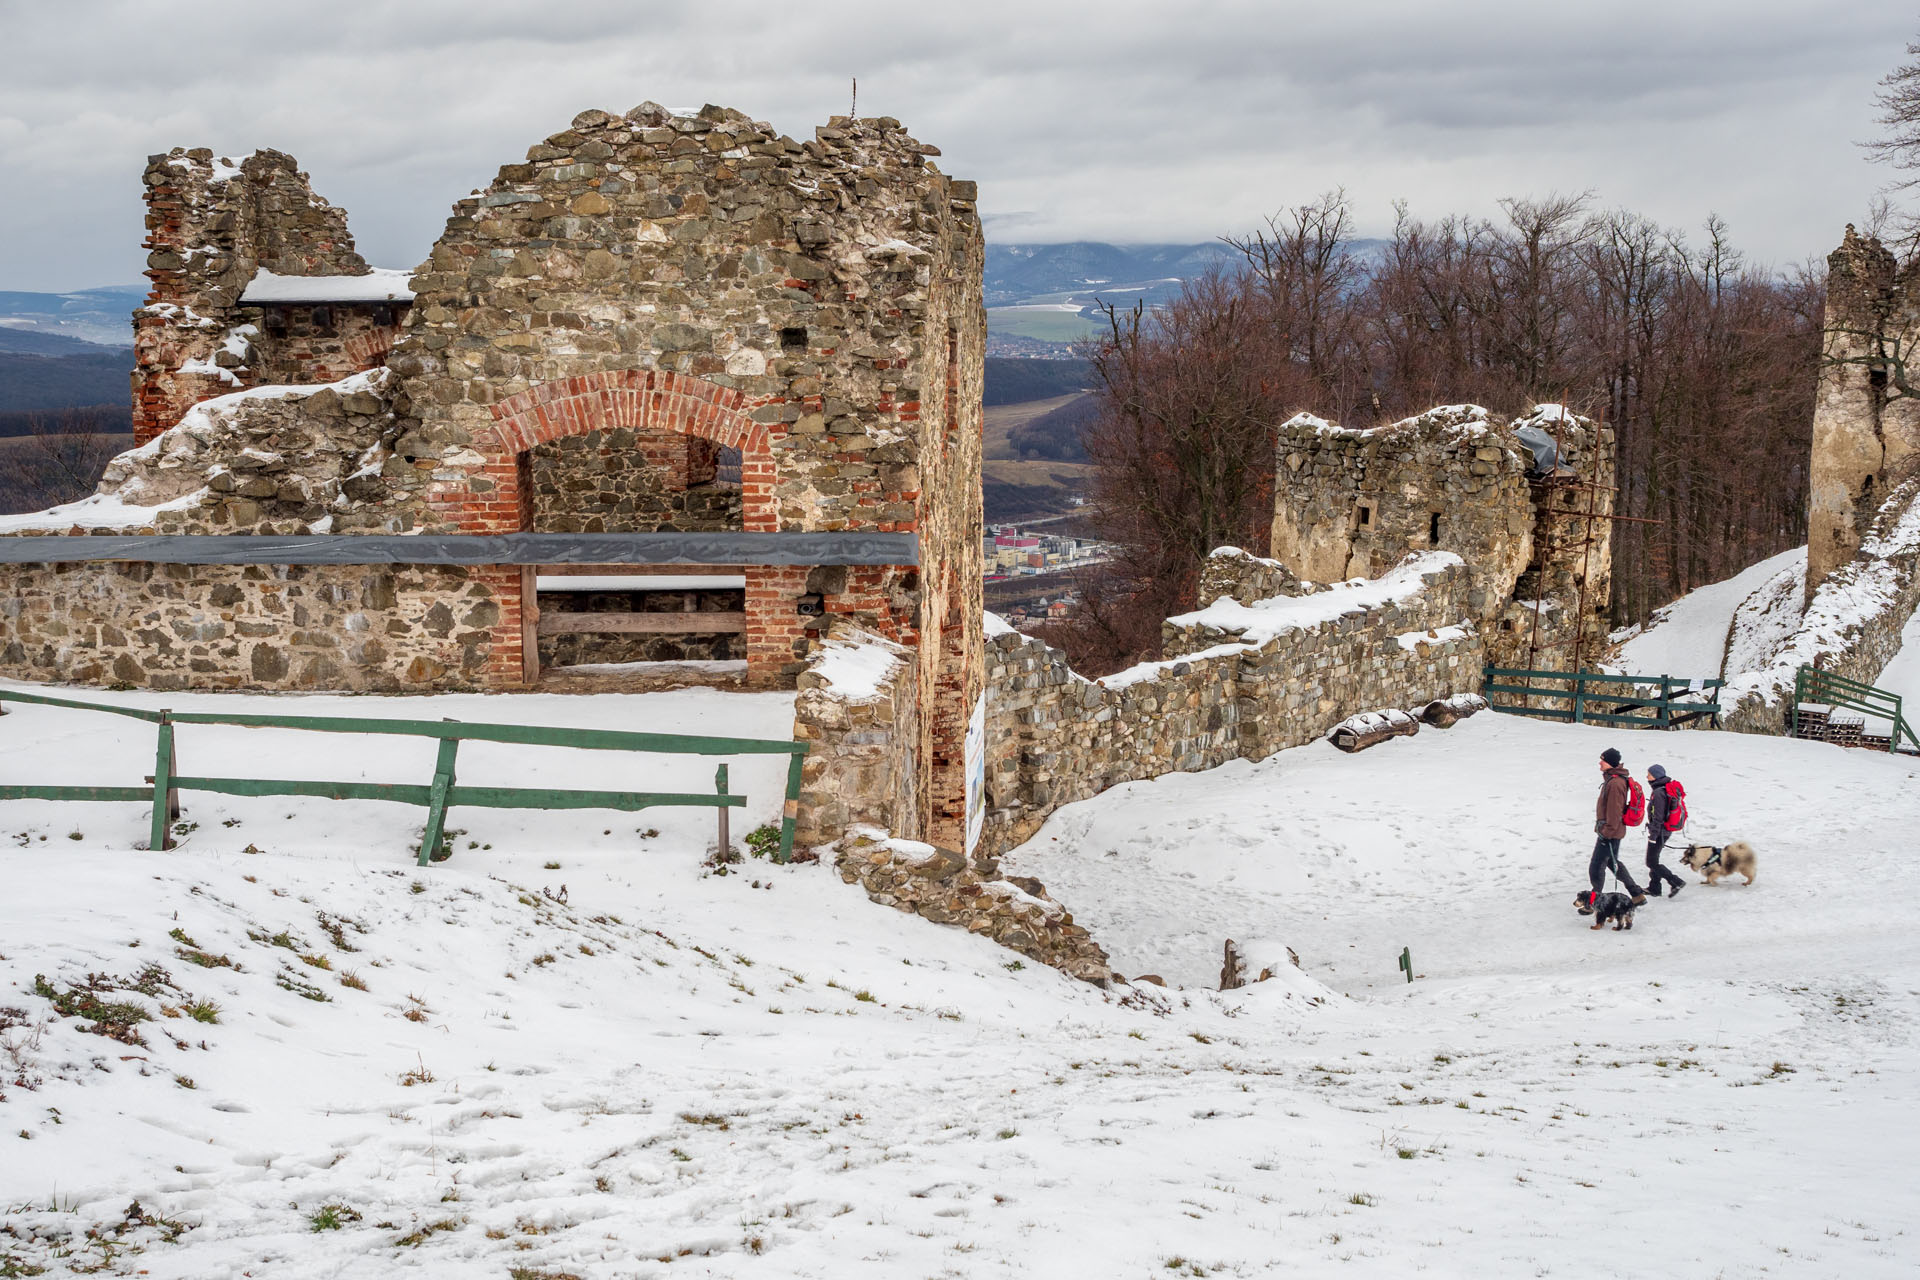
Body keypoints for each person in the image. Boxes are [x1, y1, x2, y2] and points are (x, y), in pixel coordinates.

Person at [1590, 747, 1647, 906]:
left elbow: (1614, 811)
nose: (1600, 763)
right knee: (1612, 863)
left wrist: (1606, 831)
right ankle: (1636, 894)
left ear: (1611, 763)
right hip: (1612, 831)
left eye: (1603, 760)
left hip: (1610, 831)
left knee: (1596, 867)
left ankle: (1595, 902)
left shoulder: (1615, 783)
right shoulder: (1613, 780)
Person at [1643, 764, 1685, 898]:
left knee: (1651, 861)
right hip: (1664, 830)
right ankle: (1654, 888)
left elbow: (1658, 816)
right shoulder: (1663, 789)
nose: (1647, 777)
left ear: (1655, 776)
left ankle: (1675, 881)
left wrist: (1653, 835)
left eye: (1649, 774)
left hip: (1660, 831)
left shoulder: (1659, 792)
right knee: (1654, 859)